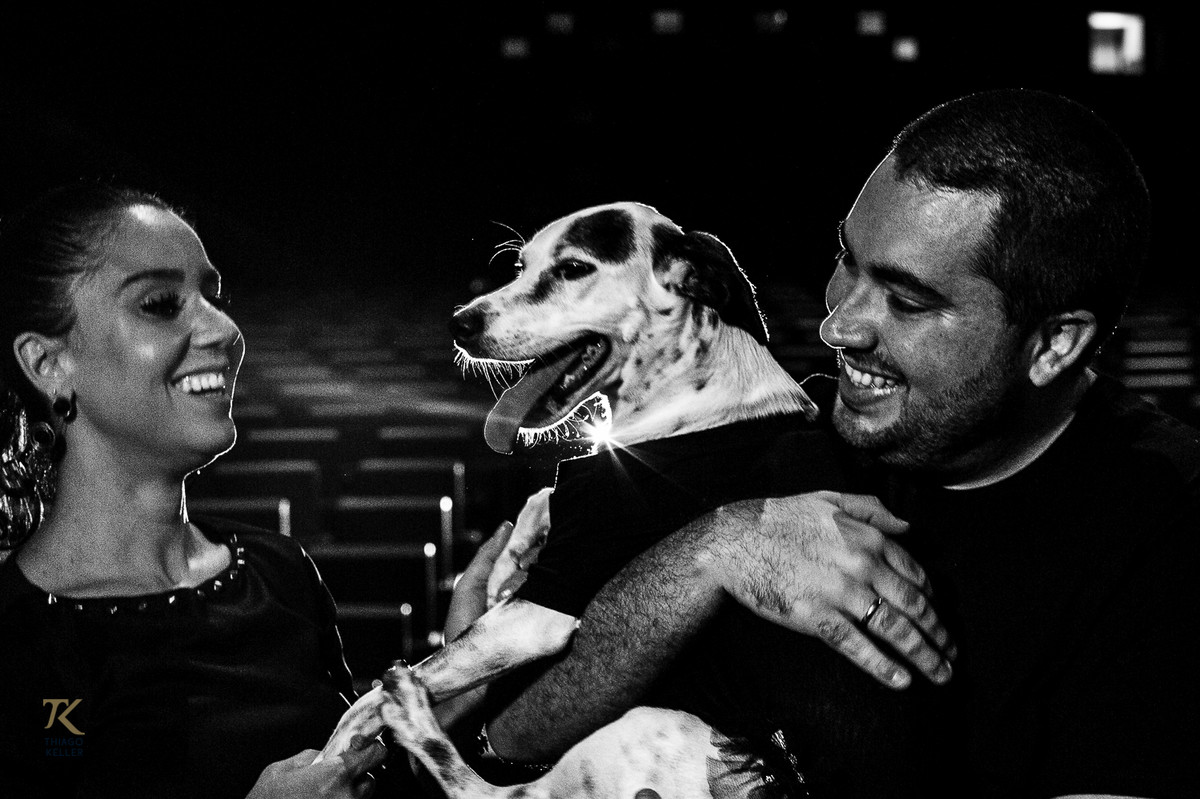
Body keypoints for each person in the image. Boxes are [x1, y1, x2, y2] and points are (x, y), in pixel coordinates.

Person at [454, 89, 1200, 798]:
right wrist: (716, 550)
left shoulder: (1162, 532)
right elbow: (513, 735)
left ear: (1053, 344)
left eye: (908, 300)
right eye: (846, 260)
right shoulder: (785, 434)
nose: (838, 325)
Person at [0, 183, 389, 799]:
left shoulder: (278, 571)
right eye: (159, 303)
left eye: (212, 295)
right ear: (48, 364)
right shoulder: (22, 643)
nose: (225, 328)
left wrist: (468, 670)